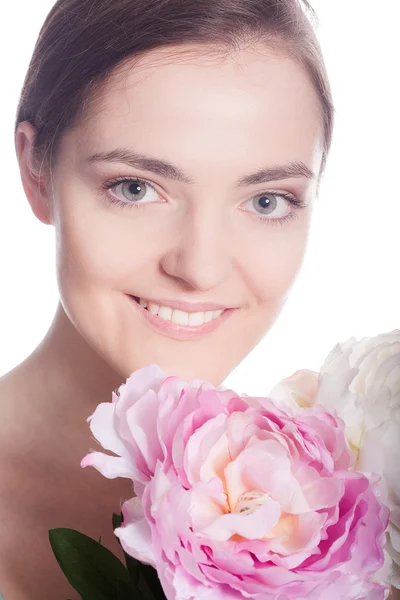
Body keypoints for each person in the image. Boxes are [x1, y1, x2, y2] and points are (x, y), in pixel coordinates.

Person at [2, 0, 393, 598]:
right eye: (136, 188)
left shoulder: (355, 529)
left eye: (267, 200)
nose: (200, 268)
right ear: (36, 170)